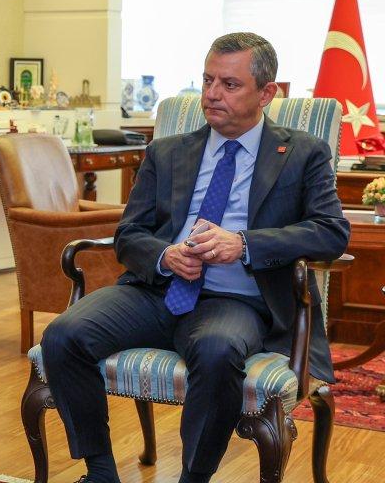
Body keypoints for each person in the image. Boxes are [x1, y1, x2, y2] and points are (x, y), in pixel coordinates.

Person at [39, 32, 349, 483]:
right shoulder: (167, 152)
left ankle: (192, 478)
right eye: (207, 80)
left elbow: (331, 232)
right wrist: (165, 255)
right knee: (63, 335)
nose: (212, 94)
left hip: (236, 301)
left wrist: (244, 244)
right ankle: (100, 471)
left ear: (266, 93)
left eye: (229, 84)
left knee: (217, 350)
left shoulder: (302, 153)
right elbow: (129, 234)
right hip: (156, 291)